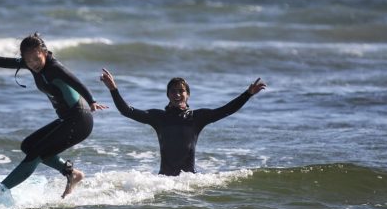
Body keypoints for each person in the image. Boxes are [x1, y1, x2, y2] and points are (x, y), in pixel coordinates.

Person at [0, 34, 107, 198]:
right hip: (67, 120)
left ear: (44, 52)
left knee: (36, 153)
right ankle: (71, 173)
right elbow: (4, 61)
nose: (33, 64)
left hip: (79, 120)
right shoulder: (30, 64)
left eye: (36, 59)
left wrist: (92, 100)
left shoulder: (55, 68)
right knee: (28, 145)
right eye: (29, 61)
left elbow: (76, 82)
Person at [99, 68, 267, 176]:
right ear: (168, 95)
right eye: (173, 91)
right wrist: (113, 89)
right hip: (163, 180)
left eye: (181, 91)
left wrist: (247, 94)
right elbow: (126, 111)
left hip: (189, 181)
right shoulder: (158, 117)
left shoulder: (197, 117)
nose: (177, 94)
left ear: (188, 95)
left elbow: (226, 110)